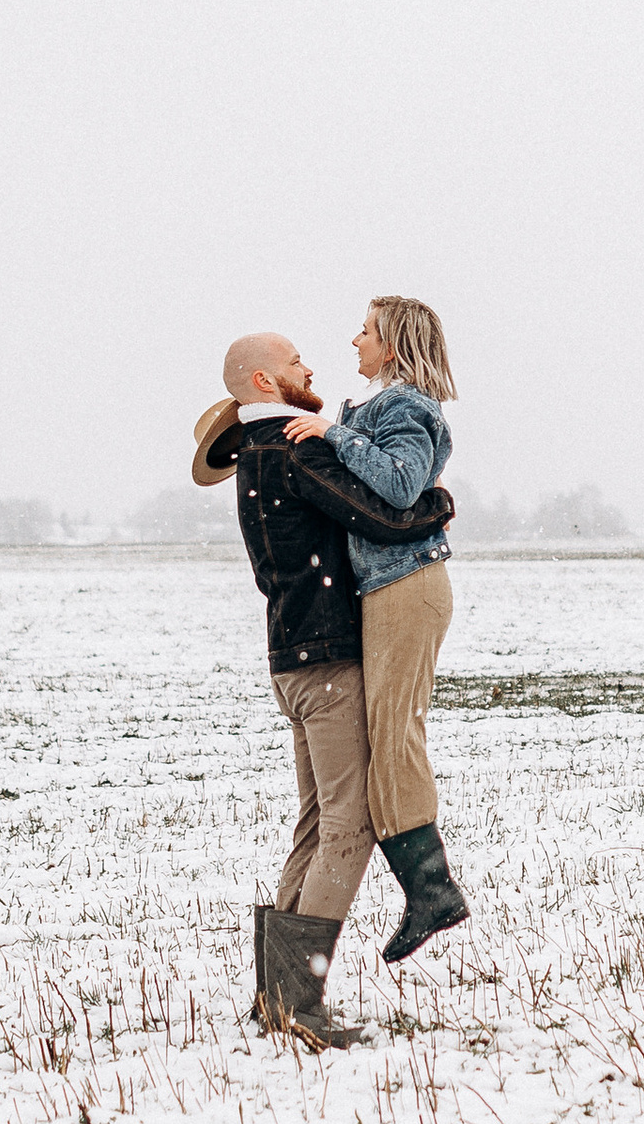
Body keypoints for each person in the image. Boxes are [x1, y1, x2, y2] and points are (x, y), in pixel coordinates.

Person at [191, 331, 452, 1044]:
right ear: (264, 382)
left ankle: (276, 998)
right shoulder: (293, 447)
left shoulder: (252, 455)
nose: (310, 367)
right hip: (331, 661)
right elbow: (375, 513)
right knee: (351, 822)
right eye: (295, 361)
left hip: (291, 660)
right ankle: (298, 1003)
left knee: (316, 821)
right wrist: (436, 506)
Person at [280, 295, 467, 964]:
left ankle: (432, 888)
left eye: (366, 330)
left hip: (408, 587)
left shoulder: (408, 405)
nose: (353, 338)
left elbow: (398, 482)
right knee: (388, 734)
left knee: (396, 732)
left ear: (393, 345)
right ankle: (427, 887)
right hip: (383, 589)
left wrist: (334, 435)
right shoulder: (373, 407)